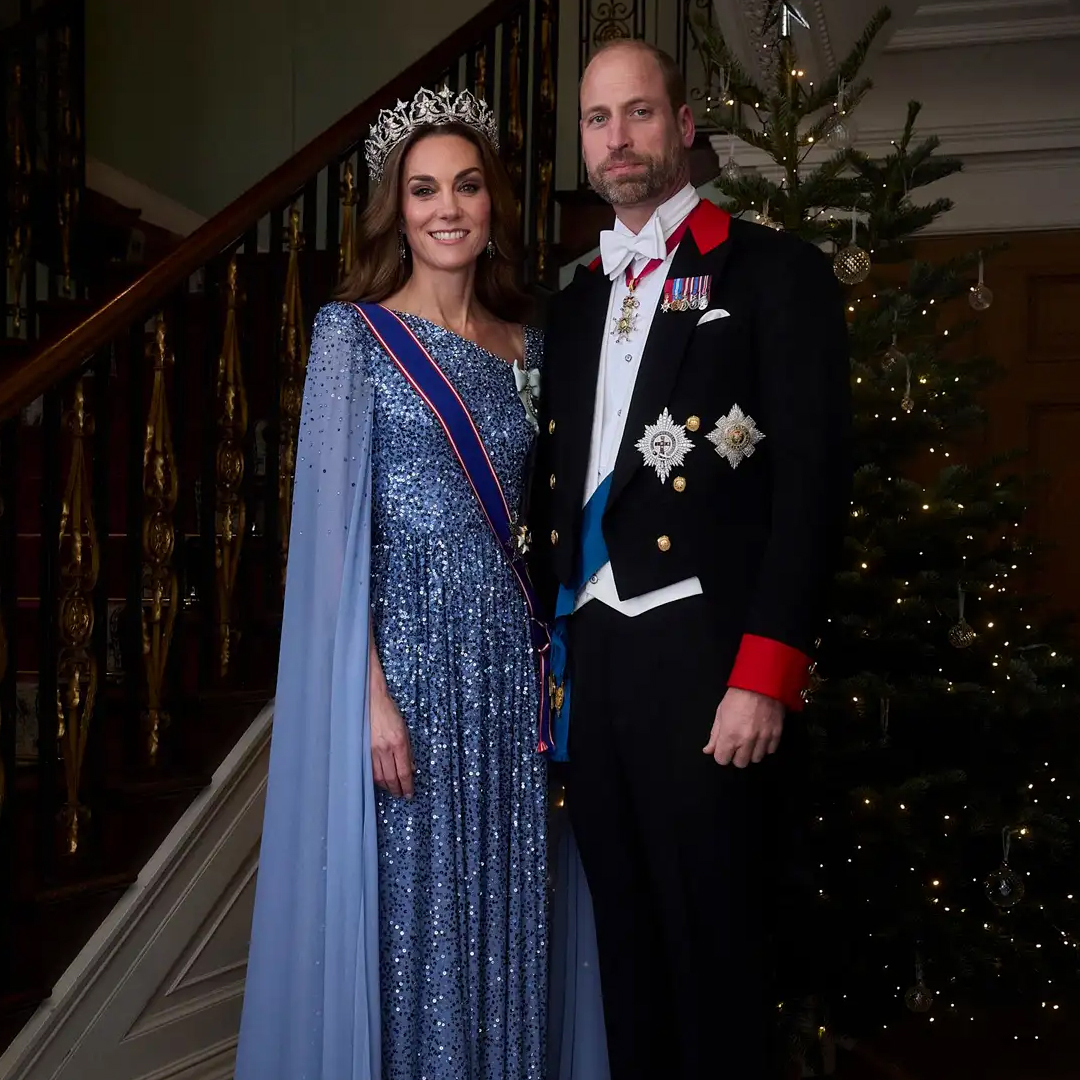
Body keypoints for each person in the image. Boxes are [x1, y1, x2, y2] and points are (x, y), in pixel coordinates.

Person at [235, 86, 605, 1080]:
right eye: (424, 189)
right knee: (415, 919)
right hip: (404, 666)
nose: (447, 208)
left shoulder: (531, 349)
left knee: (505, 901)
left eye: (468, 187)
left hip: (504, 674)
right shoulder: (353, 339)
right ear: (397, 212)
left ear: (494, 208)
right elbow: (326, 541)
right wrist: (367, 697)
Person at [529, 40, 852, 1080]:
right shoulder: (573, 306)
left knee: (717, 956)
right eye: (596, 119)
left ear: (682, 125)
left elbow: (810, 486)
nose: (616, 138)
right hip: (602, 664)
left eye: (637, 113)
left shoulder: (774, 274)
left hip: (711, 664)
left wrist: (764, 673)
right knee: (625, 949)